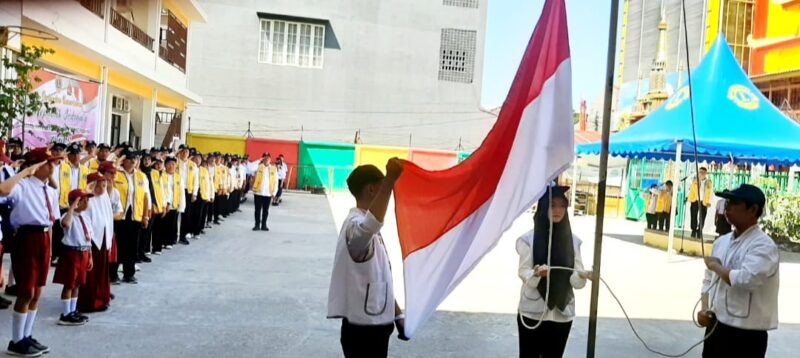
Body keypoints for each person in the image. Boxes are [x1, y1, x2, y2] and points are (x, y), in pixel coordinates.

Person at [327, 160, 406, 358]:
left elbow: (380, 280)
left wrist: (397, 314)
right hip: (363, 331)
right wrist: (389, 181)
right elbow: (370, 225)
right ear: (372, 190)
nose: (388, 193)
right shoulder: (355, 227)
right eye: (383, 188)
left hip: (377, 325)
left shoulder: (368, 229)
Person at [697, 184, 779, 358]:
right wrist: (705, 308)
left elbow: (746, 280)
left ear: (753, 209)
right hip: (716, 326)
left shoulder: (763, 245)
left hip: (746, 334)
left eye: (734, 203)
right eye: (727, 202)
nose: (728, 207)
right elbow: (709, 280)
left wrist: (717, 267)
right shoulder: (722, 242)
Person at [516, 186, 591, 358]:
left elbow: (575, 279)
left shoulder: (573, 242)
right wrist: (535, 274)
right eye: (553, 205)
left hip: (561, 314)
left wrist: (581, 275)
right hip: (533, 312)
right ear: (543, 208)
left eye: (562, 206)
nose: (557, 210)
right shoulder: (528, 240)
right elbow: (523, 271)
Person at [0, 148, 61, 357]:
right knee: (26, 291)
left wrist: (51, 247)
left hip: (44, 238)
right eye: (49, 163)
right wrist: (25, 172)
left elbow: (51, 222)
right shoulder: (23, 186)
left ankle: (27, 335)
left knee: (37, 291)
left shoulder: (50, 190)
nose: (53, 166)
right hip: (27, 238)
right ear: (36, 165)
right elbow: (3, 189)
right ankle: (16, 341)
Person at [53, 189, 94, 326]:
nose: (87, 203)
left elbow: (89, 238)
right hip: (71, 253)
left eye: (87, 200)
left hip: (84, 253)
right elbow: (65, 224)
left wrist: (90, 256)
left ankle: (72, 310)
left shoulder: (85, 217)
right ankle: (65, 314)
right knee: (69, 284)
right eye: (83, 200)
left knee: (77, 284)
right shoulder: (67, 216)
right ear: (74, 203)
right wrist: (72, 207)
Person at [77, 173, 116, 313]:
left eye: (105, 185)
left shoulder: (104, 196)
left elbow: (108, 217)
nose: (104, 188)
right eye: (101, 185)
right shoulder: (87, 198)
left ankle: (103, 297)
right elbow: (84, 218)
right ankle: (89, 302)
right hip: (92, 240)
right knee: (91, 273)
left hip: (104, 238)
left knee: (102, 271)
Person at [112, 150, 150, 284]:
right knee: (118, 245)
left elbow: (145, 197)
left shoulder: (141, 176)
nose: (133, 161)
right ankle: (113, 274)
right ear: (123, 160)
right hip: (118, 215)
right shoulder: (116, 173)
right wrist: (117, 163)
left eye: (134, 159)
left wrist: (145, 216)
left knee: (132, 245)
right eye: (129, 159)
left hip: (134, 215)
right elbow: (107, 177)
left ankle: (129, 274)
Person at [252, 154, 278, 231]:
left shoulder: (273, 168)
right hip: (258, 192)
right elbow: (250, 168)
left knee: (265, 211)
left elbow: (276, 181)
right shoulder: (258, 167)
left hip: (268, 193)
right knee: (257, 210)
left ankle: (264, 225)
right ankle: (257, 224)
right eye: (265, 158)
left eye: (268, 159)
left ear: (270, 160)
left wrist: (274, 193)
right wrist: (258, 161)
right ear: (263, 159)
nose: (266, 160)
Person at [162, 157, 184, 247]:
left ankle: (169, 241)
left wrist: (181, 206)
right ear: (165, 165)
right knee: (163, 223)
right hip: (164, 204)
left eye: (173, 164)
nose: (171, 166)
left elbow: (181, 192)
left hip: (174, 203)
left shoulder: (179, 177)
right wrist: (166, 203)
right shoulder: (162, 175)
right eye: (169, 164)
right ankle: (162, 241)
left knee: (172, 223)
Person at [177, 145, 197, 242]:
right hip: (177, 190)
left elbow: (196, 180)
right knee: (175, 213)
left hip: (188, 190)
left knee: (186, 214)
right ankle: (172, 237)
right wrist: (176, 152)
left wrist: (195, 193)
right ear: (180, 152)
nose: (185, 154)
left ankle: (182, 236)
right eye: (183, 151)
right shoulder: (175, 162)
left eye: (187, 152)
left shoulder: (193, 165)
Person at [688, 167, 713, 238]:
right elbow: (691, 189)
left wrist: (709, 201)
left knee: (702, 217)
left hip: (704, 202)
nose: (701, 174)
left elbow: (711, 192)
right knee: (693, 215)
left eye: (703, 172)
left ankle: (700, 230)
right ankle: (693, 229)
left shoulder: (708, 182)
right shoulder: (694, 181)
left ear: (705, 174)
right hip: (695, 200)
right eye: (700, 172)